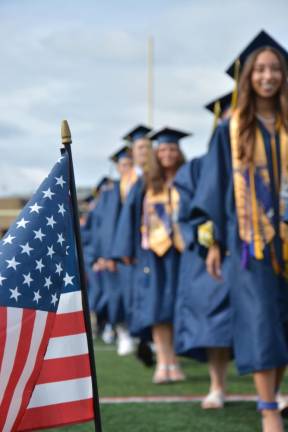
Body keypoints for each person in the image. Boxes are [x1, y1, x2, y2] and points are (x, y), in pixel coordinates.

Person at [191, 32, 288, 431]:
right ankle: (268, 410)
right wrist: (213, 242)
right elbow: (213, 187)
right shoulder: (230, 128)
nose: (268, 76)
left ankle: (273, 399)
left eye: (275, 69)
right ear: (248, 77)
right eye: (260, 69)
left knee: (282, 322)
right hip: (251, 244)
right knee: (261, 320)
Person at [113, 127, 190, 383]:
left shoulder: (188, 178)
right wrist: (125, 250)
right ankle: (164, 363)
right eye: (164, 149)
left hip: (183, 254)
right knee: (157, 307)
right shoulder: (145, 182)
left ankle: (174, 359)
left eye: (173, 149)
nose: (168, 153)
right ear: (157, 153)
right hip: (153, 256)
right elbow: (129, 216)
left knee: (180, 307)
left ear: (179, 152)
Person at [174, 92, 233, 409]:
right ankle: (217, 385)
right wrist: (210, 242)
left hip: (264, 246)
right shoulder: (197, 168)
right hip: (216, 253)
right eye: (228, 117)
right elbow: (191, 212)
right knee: (215, 319)